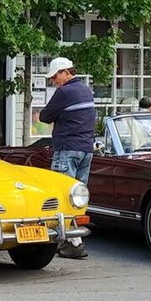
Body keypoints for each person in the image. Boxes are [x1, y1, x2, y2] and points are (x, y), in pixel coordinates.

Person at [39, 56, 95, 259]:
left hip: (67, 149)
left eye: (55, 77)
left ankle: (71, 242)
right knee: (77, 198)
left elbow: (45, 116)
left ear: (66, 73)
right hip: (86, 150)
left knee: (62, 196)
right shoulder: (85, 90)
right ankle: (75, 241)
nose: (54, 81)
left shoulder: (64, 92)